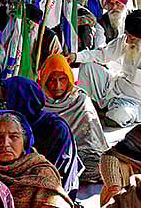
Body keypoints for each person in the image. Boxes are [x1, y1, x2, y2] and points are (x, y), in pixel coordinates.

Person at [71, 9, 141, 128]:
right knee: (87, 67)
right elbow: (103, 55)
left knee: (119, 115)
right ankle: (87, 105)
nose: (127, 40)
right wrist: (76, 56)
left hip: (134, 102)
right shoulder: (126, 40)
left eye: (132, 38)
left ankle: (106, 112)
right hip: (113, 88)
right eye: (127, 34)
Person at [0, 76, 82, 193]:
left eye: (2, 104)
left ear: (20, 101)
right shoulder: (5, 126)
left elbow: (52, 174)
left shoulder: (55, 128)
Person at [39, 53, 108, 184]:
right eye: (52, 80)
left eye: (62, 79)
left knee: (100, 166)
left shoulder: (80, 100)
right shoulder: (38, 102)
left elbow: (93, 141)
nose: (57, 86)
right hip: (52, 156)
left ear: (69, 79)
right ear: (44, 80)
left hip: (82, 154)